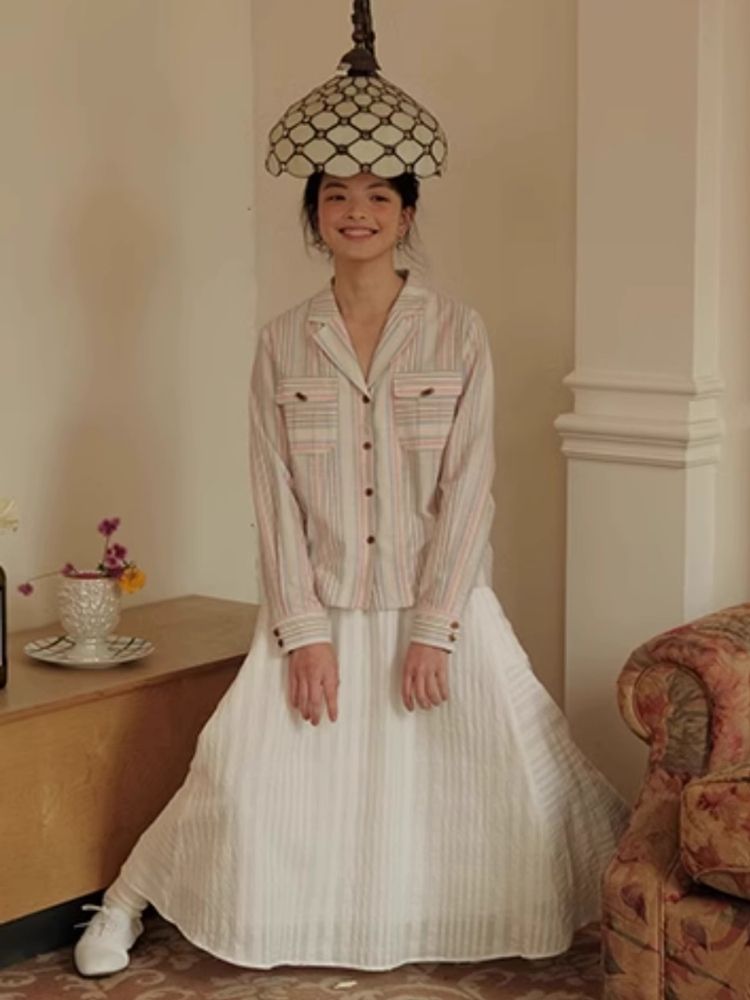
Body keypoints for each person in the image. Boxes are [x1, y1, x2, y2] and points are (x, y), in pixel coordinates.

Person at [73, 166, 629, 978]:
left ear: (406, 214)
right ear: (314, 215)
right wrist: (303, 634)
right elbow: (274, 497)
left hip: (439, 602)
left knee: (518, 767)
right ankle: (125, 901)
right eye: (335, 196)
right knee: (236, 768)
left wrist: (435, 628)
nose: (356, 212)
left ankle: (622, 901)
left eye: (377, 197)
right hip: (319, 603)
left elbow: (469, 487)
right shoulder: (282, 341)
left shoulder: (457, 331)